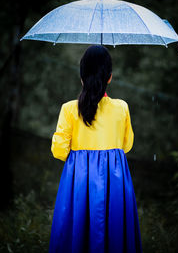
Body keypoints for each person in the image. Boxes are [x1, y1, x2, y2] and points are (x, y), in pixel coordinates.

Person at [49, 45, 143, 253]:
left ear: (82, 77)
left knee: (77, 233)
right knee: (114, 233)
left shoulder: (69, 109)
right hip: (115, 183)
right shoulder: (122, 108)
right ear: (109, 77)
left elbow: (59, 151)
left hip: (79, 182)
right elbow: (126, 145)